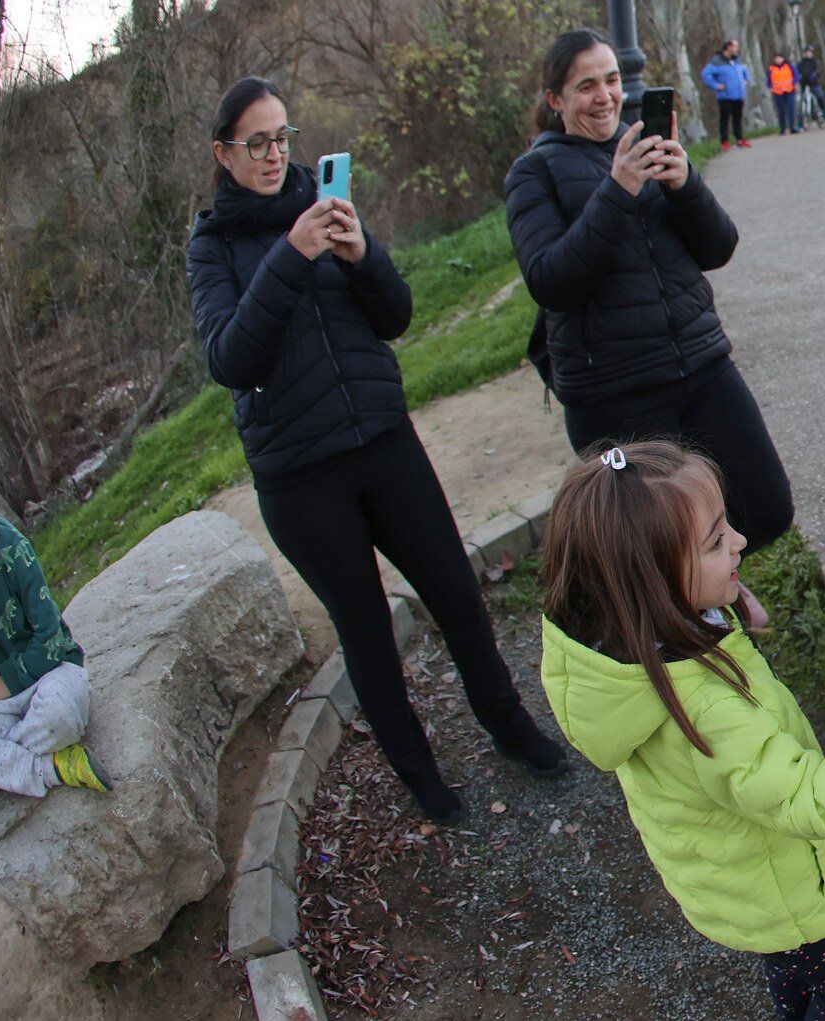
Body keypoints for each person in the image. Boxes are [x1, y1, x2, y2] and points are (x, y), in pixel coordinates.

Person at [190, 77, 563, 822]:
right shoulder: (212, 246)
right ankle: (422, 777)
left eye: (282, 137)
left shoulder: (324, 205)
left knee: (456, 594)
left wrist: (362, 256)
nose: (274, 154)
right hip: (300, 478)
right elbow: (230, 359)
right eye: (256, 143)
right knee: (367, 633)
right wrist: (291, 256)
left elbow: (395, 317)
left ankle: (511, 726)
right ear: (223, 154)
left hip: (384, 441)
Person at [539, 441, 825, 1021]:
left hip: (744, 883)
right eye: (716, 542)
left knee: (791, 968)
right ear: (656, 582)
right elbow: (814, 799)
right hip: (782, 891)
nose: (740, 541)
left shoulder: (624, 645)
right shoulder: (706, 709)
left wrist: (725, 609)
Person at [505, 29, 795, 551]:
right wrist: (618, 190)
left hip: (701, 363)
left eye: (612, 80)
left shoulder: (647, 148)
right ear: (555, 99)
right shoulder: (534, 173)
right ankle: (690, 598)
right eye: (586, 86)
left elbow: (718, 248)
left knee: (767, 508)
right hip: (615, 388)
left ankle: (711, 582)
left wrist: (685, 185)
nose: (605, 97)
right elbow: (550, 282)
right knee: (659, 546)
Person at [0, 461, 110, 805]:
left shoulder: (7, 544)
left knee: (61, 714)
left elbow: (50, 637)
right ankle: (53, 767)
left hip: (48, 675)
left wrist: (6, 682)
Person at [699, 39, 755, 150]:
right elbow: (705, 74)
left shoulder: (737, 60)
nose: (737, 49)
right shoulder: (717, 61)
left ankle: (739, 139)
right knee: (724, 119)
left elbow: (745, 71)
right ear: (729, 47)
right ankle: (724, 142)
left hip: (738, 95)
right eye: (735, 46)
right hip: (725, 96)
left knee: (737, 118)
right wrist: (716, 85)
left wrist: (746, 80)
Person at [796, 46, 825, 129]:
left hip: (814, 85)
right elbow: (797, 73)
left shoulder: (815, 62)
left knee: (821, 101)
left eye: (809, 52)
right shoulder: (801, 64)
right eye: (806, 52)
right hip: (804, 86)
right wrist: (799, 78)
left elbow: (819, 70)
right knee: (802, 105)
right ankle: (800, 124)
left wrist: (815, 74)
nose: (808, 54)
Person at [768, 54, 800, 133]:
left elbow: (796, 76)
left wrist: (794, 83)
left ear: (783, 58)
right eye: (776, 58)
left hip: (789, 90)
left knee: (791, 109)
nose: (778, 60)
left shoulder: (789, 66)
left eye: (779, 58)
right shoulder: (771, 68)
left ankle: (792, 127)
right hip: (778, 92)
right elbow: (769, 80)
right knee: (781, 111)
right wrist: (770, 87)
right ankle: (782, 128)